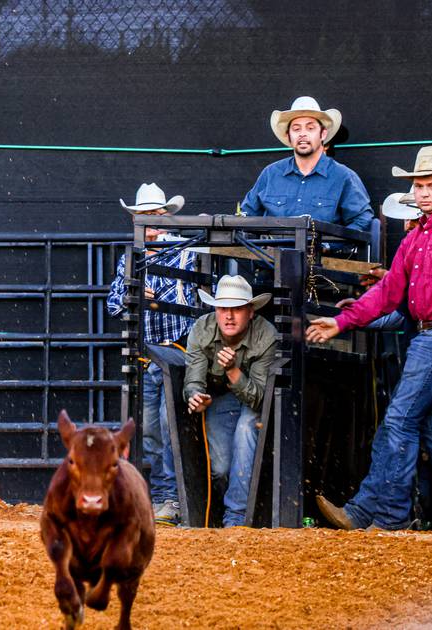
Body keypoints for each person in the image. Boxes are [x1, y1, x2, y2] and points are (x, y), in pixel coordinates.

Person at [307, 146, 432, 533]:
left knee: (400, 422)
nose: (424, 192)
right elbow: (390, 291)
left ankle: (381, 516)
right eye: (419, 186)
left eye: (431, 185)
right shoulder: (417, 238)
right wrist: (342, 322)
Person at [106, 183, 197, 524]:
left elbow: (195, 301)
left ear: (164, 218)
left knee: (167, 425)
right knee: (150, 429)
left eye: (154, 218)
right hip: (146, 356)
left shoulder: (186, 252)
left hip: (175, 352)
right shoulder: (131, 257)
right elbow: (114, 304)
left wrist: (150, 296)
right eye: (143, 219)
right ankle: (161, 497)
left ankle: (171, 498)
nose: (150, 225)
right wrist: (135, 294)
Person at [182, 275, 276, 527]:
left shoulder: (266, 336)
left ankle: (235, 518)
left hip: (251, 401)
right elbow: (193, 380)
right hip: (221, 399)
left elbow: (258, 400)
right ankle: (225, 513)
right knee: (221, 467)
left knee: (246, 429)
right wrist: (195, 397)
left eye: (236, 309)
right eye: (223, 308)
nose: (229, 316)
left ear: (251, 312)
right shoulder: (202, 328)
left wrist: (233, 371)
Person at [240, 96, 372, 232]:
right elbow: (246, 216)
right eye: (296, 129)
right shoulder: (270, 174)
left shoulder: (343, 176)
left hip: (323, 253)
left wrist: (332, 245)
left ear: (323, 134)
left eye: (310, 128)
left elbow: (362, 219)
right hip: (271, 252)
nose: (303, 134)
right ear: (288, 136)